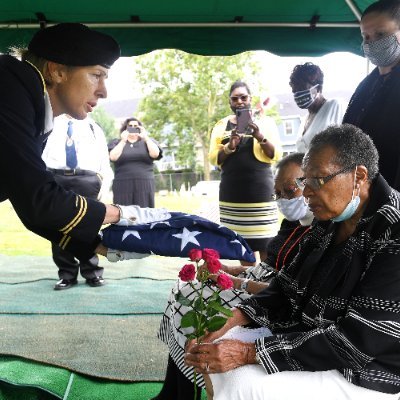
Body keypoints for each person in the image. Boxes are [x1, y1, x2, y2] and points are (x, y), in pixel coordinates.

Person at [185, 124, 400, 400]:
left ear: (358, 176)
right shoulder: (330, 220)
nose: (306, 192)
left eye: (317, 180)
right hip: (311, 338)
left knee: (243, 381)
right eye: (304, 181)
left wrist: (249, 353)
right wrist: (229, 320)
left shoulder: (393, 230)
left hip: (368, 369)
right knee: (212, 351)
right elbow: (285, 287)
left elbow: (360, 341)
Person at [0, 22, 167, 262]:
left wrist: (103, 246)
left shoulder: (28, 101)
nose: (104, 91)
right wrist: (127, 215)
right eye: (96, 75)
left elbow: (28, 201)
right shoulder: (10, 89)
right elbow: (39, 200)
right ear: (56, 71)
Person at [152, 152, 313, 400]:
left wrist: (238, 282)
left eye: (290, 190)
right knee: (184, 291)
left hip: (270, 303)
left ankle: (188, 393)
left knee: (201, 314)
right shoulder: (292, 224)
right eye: (278, 194)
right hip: (254, 283)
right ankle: (173, 390)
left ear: (311, 182)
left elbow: (284, 291)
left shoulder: (321, 234)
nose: (283, 200)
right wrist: (228, 271)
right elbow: (268, 265)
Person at [209, 80, 282, 264]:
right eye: (235, 98)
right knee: (243, 247)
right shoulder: (220, 125)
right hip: (232, 195)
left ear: (250, 99)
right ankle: (248, 287)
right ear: (230, 102)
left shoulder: (266, 122)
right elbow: (213, 158)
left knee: (266, 245)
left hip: (261, 194)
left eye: (243, 97)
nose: (239, 101)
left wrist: (259, 136)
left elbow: (275, 154)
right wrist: (229, 146)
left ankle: (264, 287)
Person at [42, 114, 114, 290]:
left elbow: (103, 158)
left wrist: (103, 185)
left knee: (88, 225)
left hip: (87, 179)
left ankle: (92, 271)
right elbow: (39, 152)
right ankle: (67, 273)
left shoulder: (93, 127)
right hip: (56, 177)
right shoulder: (49, 123)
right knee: (58, 226)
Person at [343, 0, 400, 191]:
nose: (371, 42)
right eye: (366, 37)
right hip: (362, 197)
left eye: (381, 34)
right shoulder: (365, 87)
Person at [289, 62, 344, 153]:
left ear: (318, 88)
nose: (298, 93)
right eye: (295, 90)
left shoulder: (334, 106)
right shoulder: (304, 120)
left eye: (302, 88)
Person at [108, 117, 162, 207]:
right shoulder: (116, 142)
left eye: (136, 126)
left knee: (145, 212)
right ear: (125, 128)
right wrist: (123, 140)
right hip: (122, 184)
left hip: (144, 183)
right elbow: (113, 157)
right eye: (130, 126)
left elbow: (155, 154)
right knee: (124, 213)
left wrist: (146, 138)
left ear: (140, 128)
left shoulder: (148, 142)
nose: (133, 128)